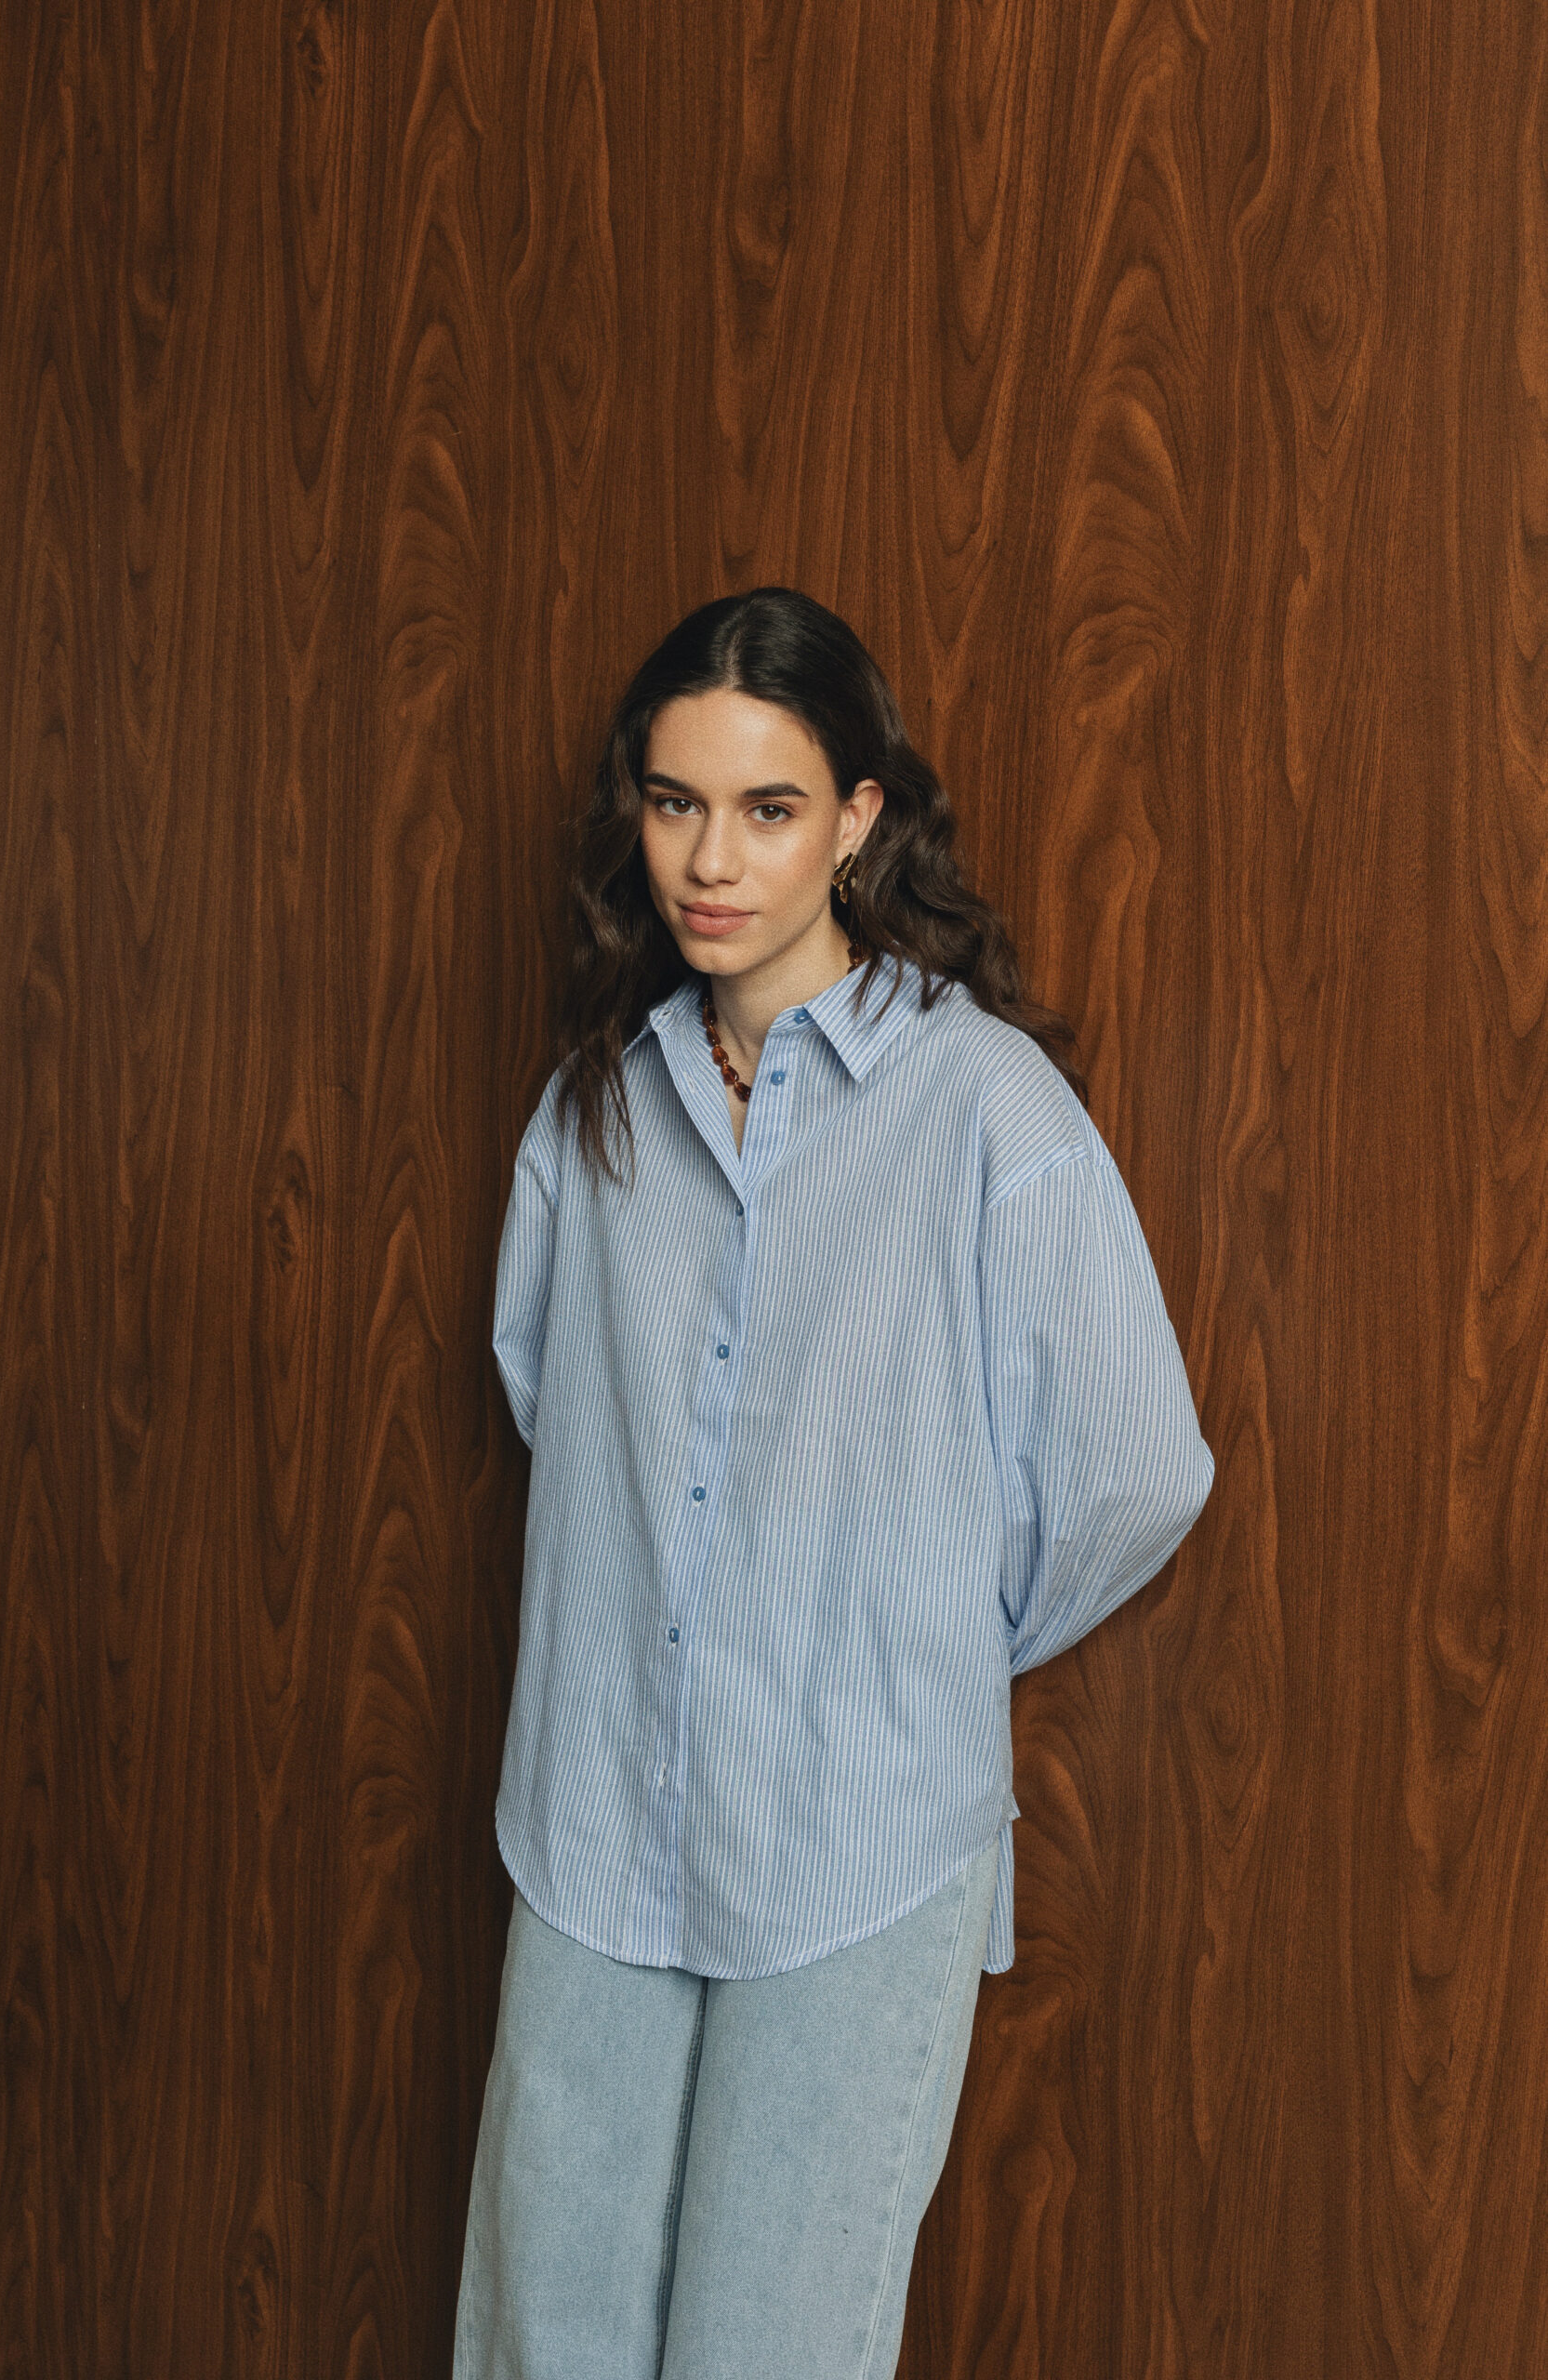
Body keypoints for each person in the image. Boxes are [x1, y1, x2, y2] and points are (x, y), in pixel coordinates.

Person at [454, 587, 1215, 2379]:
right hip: (599, 1820)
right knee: (542, 2338)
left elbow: (1136, 1469)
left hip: (859, 1848)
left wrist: (904, 1637)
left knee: (769, 2348)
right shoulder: (596, 1110)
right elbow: (547, 1391)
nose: (711, 861)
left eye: (769, 808)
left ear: (860, 818)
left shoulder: (985, 1108)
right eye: (674, 803)